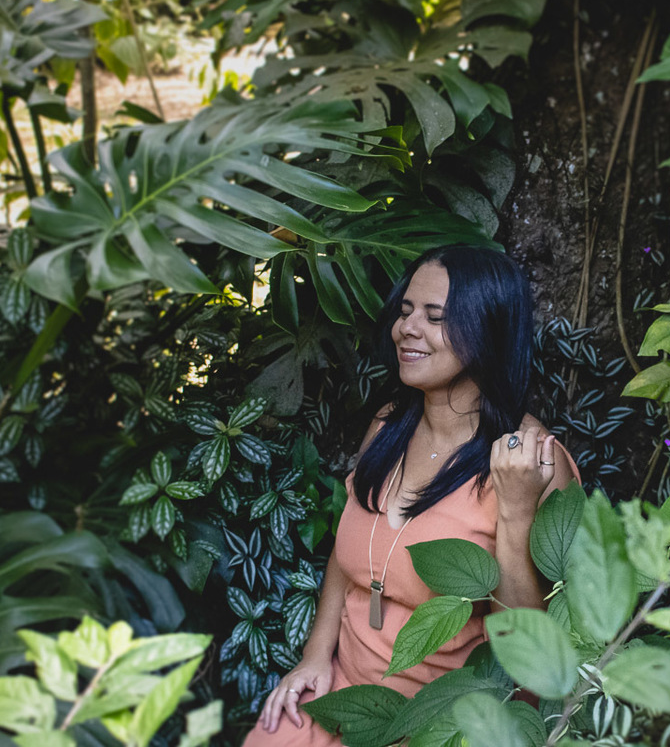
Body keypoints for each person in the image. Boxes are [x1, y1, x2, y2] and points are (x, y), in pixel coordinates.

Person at [242, 245, 581, 746]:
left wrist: (514, 510)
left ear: (487, 328)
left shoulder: (531, 463)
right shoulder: (387, 425)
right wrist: (315, 656)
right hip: (345, 696)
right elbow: (346, 554)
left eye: (435, 316)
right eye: (405, 312)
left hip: (445, 726)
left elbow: (530, 656)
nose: (407, 329)